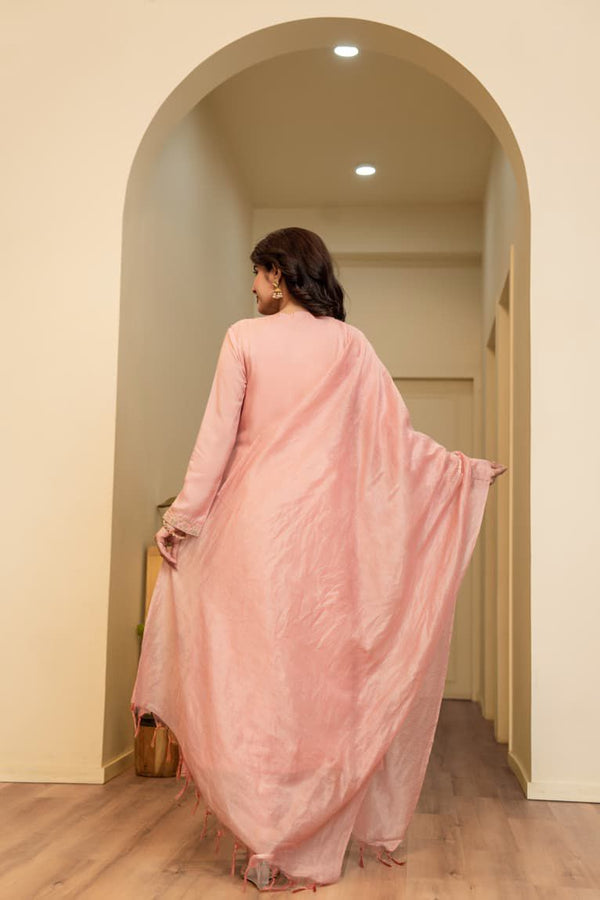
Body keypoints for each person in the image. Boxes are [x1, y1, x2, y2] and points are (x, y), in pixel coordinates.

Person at [130, 227, 507, 893]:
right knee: (316, 690)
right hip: (326, 546)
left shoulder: (243, 337)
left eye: (257, 274)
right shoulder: (351, 346)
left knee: (254, 688)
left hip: (253, 535)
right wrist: (460, 475)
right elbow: (397, 441)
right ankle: (302, 835)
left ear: (278, 273)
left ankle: (266, 841)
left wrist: (182, 521)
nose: (251, 288)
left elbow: (214, 441)